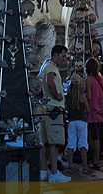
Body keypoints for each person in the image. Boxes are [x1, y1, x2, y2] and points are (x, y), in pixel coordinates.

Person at [38, 44, 71, 183]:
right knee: (54, 142)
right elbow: (50, 82)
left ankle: (44, 171)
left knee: (45, 142)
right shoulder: (51, 67)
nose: (65, 59)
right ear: (55, 55)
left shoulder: (46, 66)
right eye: (63, 56)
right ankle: (54, 173)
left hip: (46, 108)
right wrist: (58, 95)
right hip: (54, 109)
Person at [85, 57, 103, 170]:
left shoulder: (89, 79)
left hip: (92, 111)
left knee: (94, 137)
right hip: (100, 110)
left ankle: (94, 160)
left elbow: (89, 96)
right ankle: (97, 159)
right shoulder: (101, 79)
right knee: (98, 136)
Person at [65, 74, 90, 175]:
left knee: (71, 143)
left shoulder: (69, 96)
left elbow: (66, 108)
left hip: (71, 121)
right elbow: (88, 109)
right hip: (82, 121)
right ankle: (84, 167)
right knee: (83, 144)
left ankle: (70, 166)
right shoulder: (82, 96)